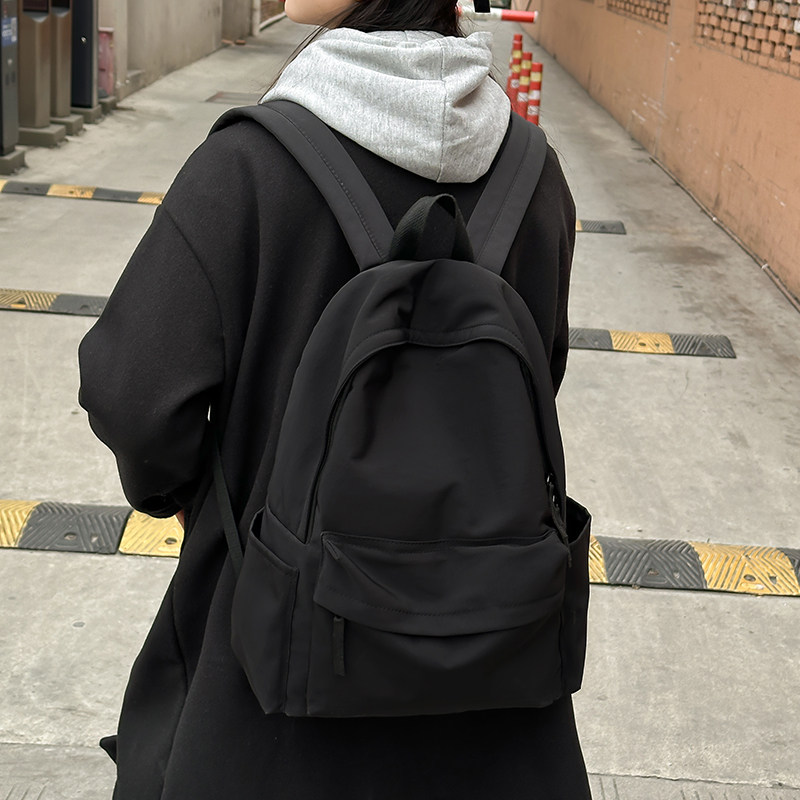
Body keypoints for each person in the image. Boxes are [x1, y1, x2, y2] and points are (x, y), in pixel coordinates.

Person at [78, 0, 591, 797]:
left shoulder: (247, 168)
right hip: (492, 680)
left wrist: (186, 495)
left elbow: (133, 394)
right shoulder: (536, 176)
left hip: (268, 685)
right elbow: (537, 378)